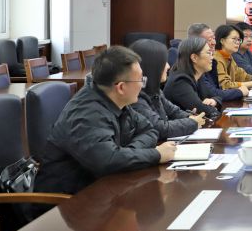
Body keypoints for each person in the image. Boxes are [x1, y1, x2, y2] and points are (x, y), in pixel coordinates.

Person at [35, 46, 176, 195]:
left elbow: (149, 130)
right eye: (140, 79)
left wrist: (128, 153)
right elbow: (108, 161)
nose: (142, 85)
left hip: (101, 189)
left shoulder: (115, 100)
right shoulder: (86, 115)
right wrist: (156, 155)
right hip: (67, 200)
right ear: (121, 87)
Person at [129, 39, 204, 142]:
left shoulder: (155, 90)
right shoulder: (135, 96)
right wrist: (192, 122)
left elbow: (174, 111)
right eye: (164, 62)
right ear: (152, 66)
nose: (168, 66)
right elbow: (159, 128)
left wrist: (190, 116)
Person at [187, 22, 248, 102]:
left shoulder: (213, 62)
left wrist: (215, 101)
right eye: (209, 40)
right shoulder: (190, 68)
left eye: (214, 38)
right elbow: (213, 93)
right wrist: (240, 91)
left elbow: (215, 91)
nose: (214, 43)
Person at [164, 36, 222, 119]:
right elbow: (204, 111)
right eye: (208, 53)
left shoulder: (198, 75)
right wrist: (213, 109)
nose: (212, 57)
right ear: (194, 57)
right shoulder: (180, 82)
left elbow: (216, 96)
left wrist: (214, 101)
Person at [212, 24, 252, 90]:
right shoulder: (216, 59)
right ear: (222, 41)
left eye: (239, 39)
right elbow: (225, 85)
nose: (238, 42)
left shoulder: (229, 57)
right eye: (234, 39)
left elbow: (243, 76)